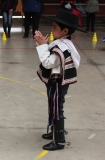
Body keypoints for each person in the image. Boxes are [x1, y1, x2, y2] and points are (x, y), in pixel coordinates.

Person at [34, 9, 81, 151]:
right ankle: (55, 132)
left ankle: (59, 140)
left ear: (65, 30)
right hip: (56, 83)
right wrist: (43, 44)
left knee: (56, 109)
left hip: (57, 83)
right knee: (54, 107)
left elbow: (48, 62)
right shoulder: (63, 42)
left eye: (55, 27)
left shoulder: (62, 47)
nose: (52, 29)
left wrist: (42, 45)